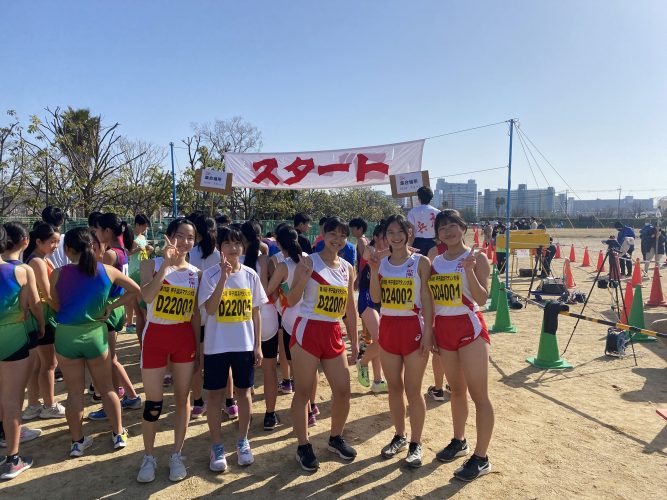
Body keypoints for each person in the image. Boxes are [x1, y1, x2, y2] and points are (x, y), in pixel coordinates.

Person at [50, 227, 140, 458]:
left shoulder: (57, 273)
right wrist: (111, 306)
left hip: (66, 336)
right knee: (107, 388)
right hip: (96, 336)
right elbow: (136, 290)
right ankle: (118, 433)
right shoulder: (107, 271)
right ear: (94, 246)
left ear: (68, 249)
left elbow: (56, 304)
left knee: (74, 393)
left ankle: (77, 442)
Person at [287, 217, 359, 471]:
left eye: (342, 235)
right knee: (304, 392)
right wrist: (304, 277)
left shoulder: (348, 268)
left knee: (343, 390)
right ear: (322, 233)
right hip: (308, 330)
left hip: (333, 332)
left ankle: (335, 438)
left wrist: (355, 341)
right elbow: (290, 300)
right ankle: (303, 445)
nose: (337, 239)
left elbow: (350, 306)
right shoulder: (308, 262)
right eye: (332, 234)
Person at [430, 209, 493, 482]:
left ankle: (481, 457)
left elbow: (483, 297)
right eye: (442, 227)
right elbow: (431, 298)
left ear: (463, 227)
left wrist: (469, 272)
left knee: (480, 396)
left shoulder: (477, 258)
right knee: (456, 391)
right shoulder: (434, 258)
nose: (447, 231)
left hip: (470, 329)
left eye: (452, 225)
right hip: (444, 330)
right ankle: (459, 441)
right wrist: (430, 330)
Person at [136, 218, 201, 483]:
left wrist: (199, 347)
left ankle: (176, 453)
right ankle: (148, 456)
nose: (185, 242)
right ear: (169, 236)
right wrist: (164, 263)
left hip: (183, 338)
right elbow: (147, 297)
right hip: (155, 338)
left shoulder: (195, 273)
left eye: (190, 238)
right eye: (181, 236)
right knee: (153, 402)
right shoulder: (149, 264)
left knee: (183, 397)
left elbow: (195, 314)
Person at [199, 226, 266, 472]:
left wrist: (257, 345)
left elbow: (256, 313)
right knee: (215, 396)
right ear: (219, 248)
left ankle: (242, 441)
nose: (233, 248)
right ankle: (216, 445)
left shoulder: (251, 275)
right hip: (217, 347)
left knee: (244, 393)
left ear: (244, 246)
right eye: (227, 243)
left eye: (237, 243)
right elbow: (211, 309)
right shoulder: (210, 275)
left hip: (244, 345)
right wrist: (223, 280)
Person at [368, 214, 432, 467]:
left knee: (413, 390)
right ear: (385, 237)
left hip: (413, 327)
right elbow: (375, 297)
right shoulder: (381, 263)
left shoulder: (421, 262)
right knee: (394, 388)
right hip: (389, 329)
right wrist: (373, 271)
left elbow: (427, 298)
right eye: (390, 233)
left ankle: (416, 443)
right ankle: (399, 435)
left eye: (399, 231)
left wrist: (429, 332)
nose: (395, 236)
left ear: (408, 233)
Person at [0, 225, 45, 479]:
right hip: (13, 336)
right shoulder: (22, 270)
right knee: (13, 399)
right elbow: (34, 304)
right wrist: (40, 326)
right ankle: (12, 459)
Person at [88, 213, 142, 419]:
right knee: (111, 358)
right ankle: (129, 396)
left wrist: (110, 305)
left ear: (107, 231)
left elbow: (101, 284)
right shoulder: (120, 251)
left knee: (109, 360)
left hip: (109, 309)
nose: (96, 233)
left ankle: (120, 399)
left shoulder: (111, 254)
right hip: (114, 308)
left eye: (98, 229)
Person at [265, 225, 321, 423]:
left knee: (298, 370)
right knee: (311, 368)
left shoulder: (283, 265)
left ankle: (306, 412)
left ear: (279, 244)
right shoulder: (311, 259)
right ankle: (312, 406)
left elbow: (267, 291)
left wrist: (266, 275)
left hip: (291, 322)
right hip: (311, 318)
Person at [240, 221, 281, 431]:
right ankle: (270, 414)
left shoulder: (233, 261)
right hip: (267, 317)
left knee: (242, 371)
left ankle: (241, 413)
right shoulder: (265, 260)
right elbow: (269, 293)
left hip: (241, 320)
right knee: (270, 370)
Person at [23, 222, 66, 420]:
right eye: (52, 242)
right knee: (49, 364)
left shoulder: (39, 258)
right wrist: (63, 312)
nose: (55, 246)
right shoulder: (38, 262)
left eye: (57, 242)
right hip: (45, 317)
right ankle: (49, 405)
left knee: (39, 365)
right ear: (38, 241)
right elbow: (47, 295)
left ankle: (33, 405)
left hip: (42, 317)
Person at [188, 216, 220, 420]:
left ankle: (199, 401)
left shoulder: (191, 253)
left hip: (195, 313)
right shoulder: (219, 254)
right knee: (217, 359)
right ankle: (229, 401)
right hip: (217, 314)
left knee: (197, 360)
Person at [355, 223, 387, 393]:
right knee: (382, 338)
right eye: (384, 236)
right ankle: (363, 362)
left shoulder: (391, 254)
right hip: (367, 298)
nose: (387, 240)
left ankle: (377, 381)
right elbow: (369, 255)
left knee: (378, 340)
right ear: (375, 237)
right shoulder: (370, 250)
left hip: (382, 299)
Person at [126, 214, 151, 335]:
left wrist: (147, 249)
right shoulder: (131, 236)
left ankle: (143, 322)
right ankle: (135, 323)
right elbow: (128, 253)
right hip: (134, 271)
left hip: (143, 269)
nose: (145, 229)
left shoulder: (143, 237)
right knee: (137, 299)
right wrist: (138, 249)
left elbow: (143, 251)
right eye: (143, 227)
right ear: (137, 225)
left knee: (141, 300)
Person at [407, 186, 439, 256]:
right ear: (431, 198)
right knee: (432, 264)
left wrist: (409, 246)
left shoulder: (412, 212)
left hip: (418, 242)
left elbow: (411, 232)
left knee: (417, 265)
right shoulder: (437, 212)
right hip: (433, 242)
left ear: (419, 198)